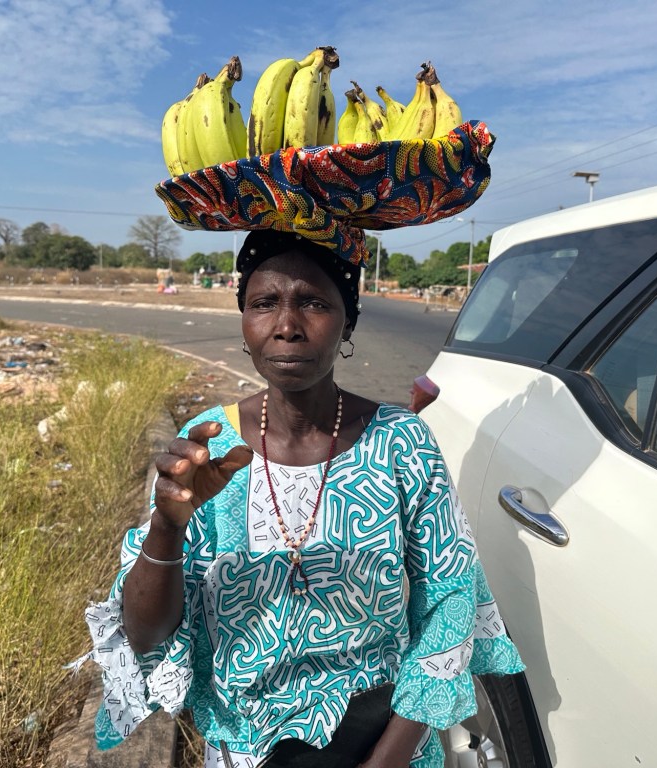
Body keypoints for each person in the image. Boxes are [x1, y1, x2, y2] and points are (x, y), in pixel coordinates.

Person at [80, 229, 524, 768]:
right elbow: (146, 635)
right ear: (244, 322)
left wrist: (387, 759)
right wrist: (168, 528)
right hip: (245, 750)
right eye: (264, 303)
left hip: (384, 742)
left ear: (348, 322)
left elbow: (449, 601)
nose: (287, 325)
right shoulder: (208, 449)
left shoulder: (400, 441)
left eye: (313, 303)